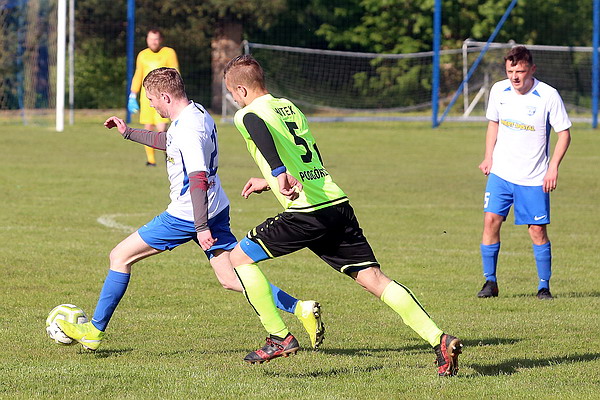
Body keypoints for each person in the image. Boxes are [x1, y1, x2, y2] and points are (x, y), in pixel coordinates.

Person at [222, 55, 462, 377]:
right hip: (335, 203)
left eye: (233, 94)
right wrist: (270, 179)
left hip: (307, 212)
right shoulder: (289, 107)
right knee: (374, 278)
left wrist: (277, 172)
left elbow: (256, 127)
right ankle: (439, 339)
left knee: (238, 259)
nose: (234, 100)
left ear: (241, 89)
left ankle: (279, 337)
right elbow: (308, 156)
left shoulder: (248, 114)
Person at [56, 67, 324, 351]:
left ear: (165, 96)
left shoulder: (188, 128)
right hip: (215, 206)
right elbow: (170, 142)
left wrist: (201, 227)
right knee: (231, 278)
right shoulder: (197, 112)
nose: (151, 105)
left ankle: (94, 331)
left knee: (119, 256)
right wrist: (128, 133)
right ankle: (300, 308)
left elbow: (197, 177)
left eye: (151, 99)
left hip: (187, 215)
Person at [477, 46, 571, 300]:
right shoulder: (499, 90)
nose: (514, 77)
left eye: (519, 71)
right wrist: (488, 156)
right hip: (501, 174)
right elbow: (493, 123)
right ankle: (490, 282)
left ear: (532, 69)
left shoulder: (548, 95)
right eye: (510, 71)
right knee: (490, 221)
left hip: (533, 177)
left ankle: (543, 286)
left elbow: (564, 134)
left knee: (537, 231)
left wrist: (553, 167)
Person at [129, 29, 179, 166]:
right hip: (146, 98)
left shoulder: (168, 53)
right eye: (151, 39)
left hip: (163, 97)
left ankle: (169, 156)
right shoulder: (142, 55)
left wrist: (174, 92)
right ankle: (151, 160)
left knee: (162, 129)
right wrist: (132, 94)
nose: (153, 42)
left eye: (156, 39)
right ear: (147, 39)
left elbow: (175, 73)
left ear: (160, 40)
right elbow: (138, 74)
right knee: (148, 128)